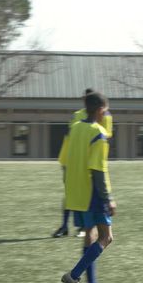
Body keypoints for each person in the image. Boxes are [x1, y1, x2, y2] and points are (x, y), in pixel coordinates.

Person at [58, 91, 117, 283]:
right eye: (106, 111)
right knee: (106, 237)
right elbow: (98, 170)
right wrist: (108, 198)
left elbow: (66, 159)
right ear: (100, 110)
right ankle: (74, 275)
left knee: (90, 236)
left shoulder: (75, 128)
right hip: (93, 193)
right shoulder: (98, 134)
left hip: (76, 192)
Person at [53, 88, 114, 238]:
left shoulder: (97, 117)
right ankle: (68, 226)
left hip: (79, 157)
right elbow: (71, 137)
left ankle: (78, 227)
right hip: (77, 159)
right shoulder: (80, 116)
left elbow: (104, 135)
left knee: (76, 193)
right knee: (77, 193)